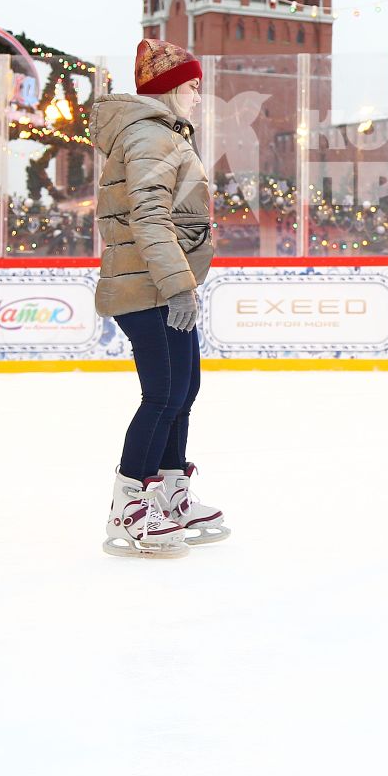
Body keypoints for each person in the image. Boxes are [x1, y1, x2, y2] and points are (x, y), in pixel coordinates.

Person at [90, 38, 227, 557]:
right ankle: (128, 505)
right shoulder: (150, 135)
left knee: (184, 387)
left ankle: (168, 491)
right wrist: (177, 286)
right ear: (170, 88)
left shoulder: (165, 134)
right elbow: (149, 216)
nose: (196, 96)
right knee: (163, 393)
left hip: (162, 281)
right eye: (192, 87)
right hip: (144, 284)